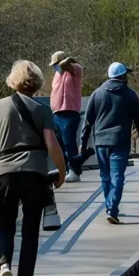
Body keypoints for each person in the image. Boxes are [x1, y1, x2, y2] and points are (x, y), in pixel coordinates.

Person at [0, 61, 66, 276]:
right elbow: (52, 145)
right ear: (37, 83)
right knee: (29, 231)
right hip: (34, 172)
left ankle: (4, 265)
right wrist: (62, 170)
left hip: (3, 173)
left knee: (5, 225)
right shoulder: (42, 110)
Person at [81, 62, 139, 224]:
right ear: (122, 76)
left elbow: (88, 121)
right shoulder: (130, 95)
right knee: (117, 176)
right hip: (120, 141)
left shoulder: (97, 94)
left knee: (105, 176)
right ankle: (112, 209)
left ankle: (110, 206)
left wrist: (83, 142)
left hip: (101, 141)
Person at [49, 51, 83, 183]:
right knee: (59, 145)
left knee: (70, 143)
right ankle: (64, 170)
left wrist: (65, 60)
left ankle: (74, 171)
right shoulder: (57, 74)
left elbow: (65, 64)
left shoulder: (75, 69)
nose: (55, 67)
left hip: (69, 112)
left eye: (56, 63)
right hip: (57, 113)